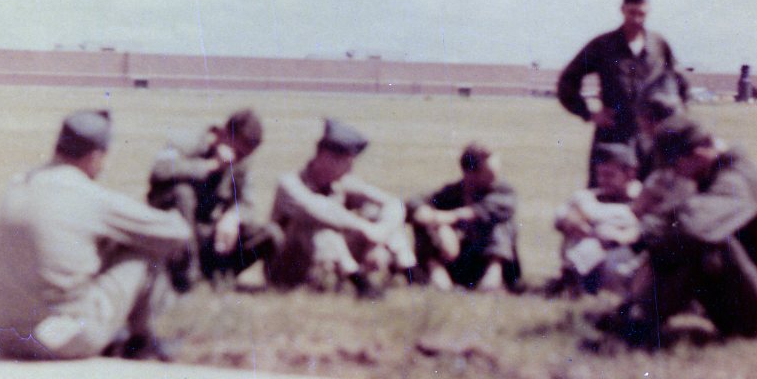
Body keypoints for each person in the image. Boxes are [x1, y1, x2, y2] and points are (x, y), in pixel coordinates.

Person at [0, 110, 192, 361]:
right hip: (59, 341)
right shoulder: (88, 195)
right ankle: (142, 343)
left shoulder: (20, 183)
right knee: (142, 255)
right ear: (94, 156)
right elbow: (176, 232)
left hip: (2, 335)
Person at [604, 115, 757, 350]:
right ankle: (635, 313)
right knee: (680, 235)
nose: (676, 173)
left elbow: (694, 226)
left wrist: (640, 236)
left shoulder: (736, 179)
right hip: (754, 304)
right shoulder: (724, 174)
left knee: (699, 239)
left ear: (699, 153)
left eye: (675, 164)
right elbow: (682, 215)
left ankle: (640, 321)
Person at [265, 119, 416, 298]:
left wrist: (379, 233)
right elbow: (318, 209)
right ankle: (359, 283)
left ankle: (410, 272)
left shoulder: (341, 182)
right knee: (322, 225)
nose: (350, 169)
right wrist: (364, 228)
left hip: (322, 264)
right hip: (286, 270)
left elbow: (393, 203)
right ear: (325, 157)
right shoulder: (289, 183)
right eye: (346, 162)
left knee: (376, 213)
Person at [557, 0, 690, 185]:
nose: (636, 19)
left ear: (648, 11)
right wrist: (590, 113)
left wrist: (673, 121)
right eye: (632, 13)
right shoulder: (603, 45)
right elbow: (567, 82)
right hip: (613, 135)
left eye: (641, 13)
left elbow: (680, 83)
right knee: (605, 191)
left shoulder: (659, 45)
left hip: (650, 139)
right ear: (623, 10)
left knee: (653, 192)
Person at [147, 109, 276, 290]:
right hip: (176, 231)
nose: (239, 159)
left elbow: (247, 203)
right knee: (183, 193)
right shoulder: (190, 141)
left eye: (245, 155)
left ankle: (217, 273)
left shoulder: (241, 161)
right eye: (238, 152)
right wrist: (211, 165)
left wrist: (233, 217)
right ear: (225, 133)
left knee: (270, 234)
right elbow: (159, 170)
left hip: (208, 232)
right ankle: (186, 273)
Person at [408, 142, 523, 293]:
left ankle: (493, 277)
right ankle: (437, 274)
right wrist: (432, 219)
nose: (495, 177)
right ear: (470, 173)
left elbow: (484, 210)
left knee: (500, 221)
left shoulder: (503, 191)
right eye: (489, 173)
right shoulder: (453, 192)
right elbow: (414, 202)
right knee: (424, 219)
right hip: (460, 260)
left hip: (491, 259)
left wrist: (450, 217)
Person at [548, 143, 646, 298]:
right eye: (599, 175)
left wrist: (617, 233)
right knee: (589, 242)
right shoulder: (587, 197)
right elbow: (560, 217)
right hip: (584, 250)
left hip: (619, 262)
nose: (602, 180)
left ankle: (572, 278)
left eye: (609, 175)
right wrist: (573, 221)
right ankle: (573, 279)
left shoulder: (642, 200)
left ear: (630, 174)